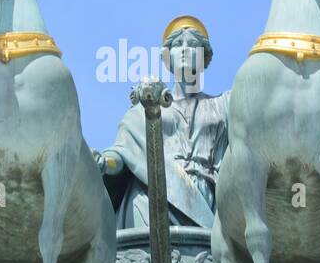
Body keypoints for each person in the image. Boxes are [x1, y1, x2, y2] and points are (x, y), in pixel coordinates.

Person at [97, 15, 229, 229]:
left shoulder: (224, 104)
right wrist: (103, 162)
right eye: (177, 44)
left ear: (205, 57)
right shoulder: (145, 109)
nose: (186, 49)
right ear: (167, 58)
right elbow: (122, 154)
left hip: (209, 204)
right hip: (155, 199)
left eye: (194, 44)